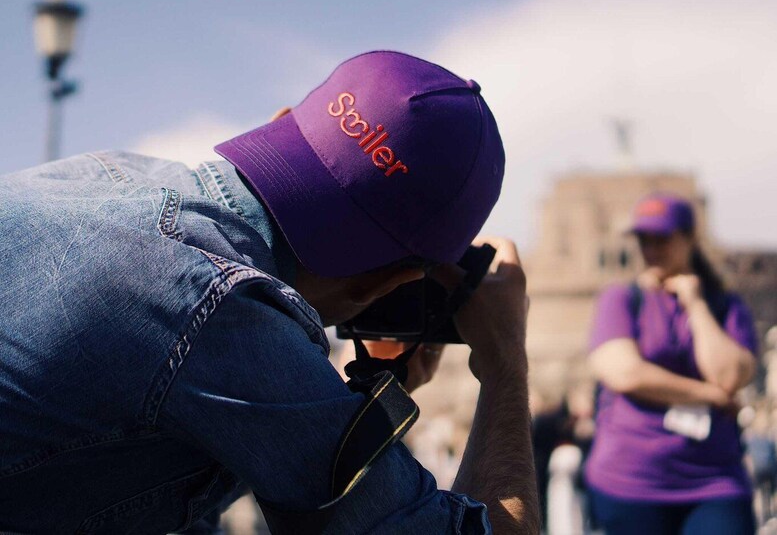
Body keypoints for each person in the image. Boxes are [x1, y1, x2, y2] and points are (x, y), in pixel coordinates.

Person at [0, 51, 539, 534]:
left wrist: (374, 392)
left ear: (283, 123)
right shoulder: (224, 312)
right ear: (389, 282)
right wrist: (506, 366)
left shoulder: (111, 171)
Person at [585, 194, 759, 535]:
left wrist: (695, 302)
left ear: (689, 239)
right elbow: (625, 373)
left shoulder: (725, 305)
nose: (651, 248)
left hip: (715, 480)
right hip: (629, 480)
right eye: (643, 239)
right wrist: (709, 395)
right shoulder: (620, 298)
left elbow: (730, 375)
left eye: (661, 238)